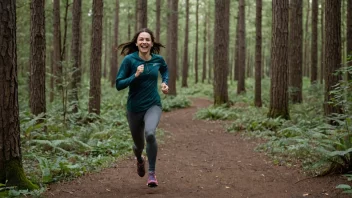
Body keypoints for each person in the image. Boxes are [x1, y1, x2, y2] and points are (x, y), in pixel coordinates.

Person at [115, 28, 169, 187]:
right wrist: (135, 76)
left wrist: (165, 82)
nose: (144, 42)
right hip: (134, 108)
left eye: (147, 39)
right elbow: (119, 84)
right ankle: (139, 159)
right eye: (141, 39)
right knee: (138, 145)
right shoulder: (129, 60)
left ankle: (152, 174)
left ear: (152, 43)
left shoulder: (158, 59)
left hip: (153, 104)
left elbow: (165, 70)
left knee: (150, 134)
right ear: (137, 43)